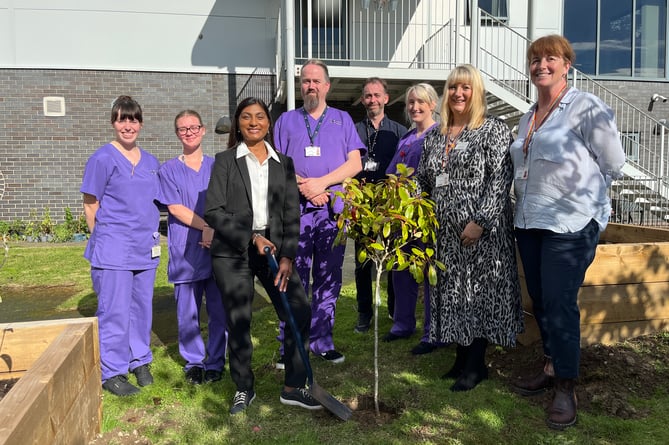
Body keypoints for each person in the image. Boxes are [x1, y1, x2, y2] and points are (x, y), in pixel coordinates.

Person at [509, 35, 625, 430]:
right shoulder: (528, 115)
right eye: (535, 59)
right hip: (529, 220)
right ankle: (550, 364)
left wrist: (586, 204)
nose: (542, 65)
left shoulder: (585, 107)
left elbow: (613, 161)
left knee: (559, 303)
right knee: (541, 300)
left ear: (566, 65)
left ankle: (566, 386)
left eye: (551, 58)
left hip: (570, 224)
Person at [204, 97, 322, 415]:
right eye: (246, 117)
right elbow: (213, 211)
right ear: (238, 124)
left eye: (259, 117)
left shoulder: (283, 163)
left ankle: (294, 386)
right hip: (233, 251)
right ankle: (244, 387)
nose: (253, 122)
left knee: (298, 309)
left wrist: (287, 257)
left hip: (273, 250)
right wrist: (251, 237)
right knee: (239, 320)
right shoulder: (225, 161)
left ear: (269, 124)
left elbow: (290, 214)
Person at [415, 65, 523, 392]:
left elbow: (500, 179)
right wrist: (415, 212)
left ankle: (476, 366)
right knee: (454, 295)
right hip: (445, 234)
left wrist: (481, 221)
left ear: (477, 92)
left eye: (466, 88)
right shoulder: (435, 135)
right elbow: (423, 178)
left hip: (481, 234)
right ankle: (461, 360)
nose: (459, 94)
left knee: (477, 295)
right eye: (453, 88)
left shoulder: (493, 130)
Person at [273, 59, 364, 366]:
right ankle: (291, 344)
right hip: (296, 213)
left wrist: (322, 183)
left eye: (315, 81)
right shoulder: (286, 121)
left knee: (328, 277)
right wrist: (304, 186)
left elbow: (355, 164)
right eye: (305, 81)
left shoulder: (342, 119)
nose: (309, 86)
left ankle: (322, 341)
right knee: (293, 277)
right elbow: (277, 165)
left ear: (327, 86)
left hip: (331, 214)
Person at [81, 95, 161, 396]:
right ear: (113, 122)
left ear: (140, 123)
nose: (127, 125)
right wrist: (101, 238)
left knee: (141, 308)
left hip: (145, 246)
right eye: (121, 119)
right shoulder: (102, 159)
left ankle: (139, 359)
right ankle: (112, 371)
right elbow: (91, 204)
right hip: (113, 248)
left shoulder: (151, 162)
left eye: (133, 119)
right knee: (114, 311)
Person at [158, 110, 228, 385]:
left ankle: (215, 362)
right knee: (188, 312)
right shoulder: (168, 170)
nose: (189, 132)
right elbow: (175, 208)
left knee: (218, 310)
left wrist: (215, 231)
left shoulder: (218, 166)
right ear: (177, 134)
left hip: (217, 249)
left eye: (193, 127)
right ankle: (194, 362)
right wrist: (206, 228)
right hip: (186, 249)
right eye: (182, 129)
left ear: (203, 129)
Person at [382, 83, 441, 355]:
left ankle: (433, 333)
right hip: (401, 217)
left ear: (432, 104)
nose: (415, 107)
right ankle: (403, 324)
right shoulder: (405, 138)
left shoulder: (438, 135)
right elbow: (392, 173)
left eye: (421, 102)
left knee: (428, 274)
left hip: (425, 215)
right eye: (411, 103)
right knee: (401, 270)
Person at [353, 77, 408, 333]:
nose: (372, 100)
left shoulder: (399, 131)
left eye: (376, 95)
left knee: (393, 260)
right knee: (363, 261)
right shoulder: (353, 130)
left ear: (386, 98)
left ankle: (394, 310)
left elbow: (405, 168)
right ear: (363, 99)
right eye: (367, 95)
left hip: (389, 204)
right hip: (362, 204)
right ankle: (364, 313)